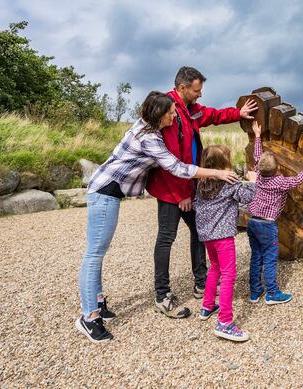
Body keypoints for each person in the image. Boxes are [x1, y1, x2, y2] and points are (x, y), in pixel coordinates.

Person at [76, 91, 239, 344]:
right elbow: (177, 167)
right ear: (159, 115)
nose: (175, 116)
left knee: (98, 250)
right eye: (171, 112)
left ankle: (98, 302)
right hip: (105, 191)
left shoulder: (145, 128)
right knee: (95, 253)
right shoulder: (150, 138)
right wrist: (217, 173)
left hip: (107, 190)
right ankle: (89, 317)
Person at [145, 67, 257, 319]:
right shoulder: (169, 112)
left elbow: (213, 115)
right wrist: (181, 194)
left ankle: (201, 283)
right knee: (166, 237)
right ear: (182, 88)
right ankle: (162, 295)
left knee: (200, 230)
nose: (200, 95)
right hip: (170, 188)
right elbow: (170, 161)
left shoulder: (190, 109)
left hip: (189, 185)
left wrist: (238, 113)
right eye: (196, 91)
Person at [247, 122, 303, 305]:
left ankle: (255, 292)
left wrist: (257, 135)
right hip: (267, 225)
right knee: (270, 259)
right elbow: (298, 179)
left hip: (252, 223)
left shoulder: (258, 175)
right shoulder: (279, 182)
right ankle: (272, 293)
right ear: (277, 169)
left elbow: (257, 156)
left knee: (256, 256)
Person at [194, 141, 256, 342]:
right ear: (224, 164)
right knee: (229, 274)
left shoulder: (202, 182)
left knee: (215, 268)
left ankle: (207, 305)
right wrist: (253, 181)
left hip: (207, 237)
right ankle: (225, 322)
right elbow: (247, 197)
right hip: (223, 237)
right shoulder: (230, 181)